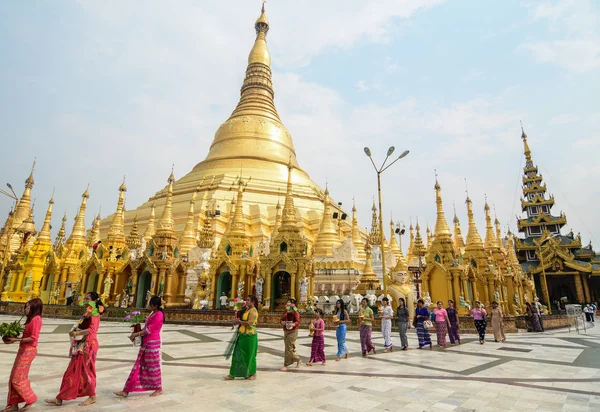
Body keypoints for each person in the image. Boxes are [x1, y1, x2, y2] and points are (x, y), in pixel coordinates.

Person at [45, 291, 105, 407]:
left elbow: (92, 330)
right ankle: (60, 398)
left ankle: (92, 396)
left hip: (88, 345)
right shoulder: (87, 313)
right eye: (85, 298)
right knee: (70, 371)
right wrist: (76, 332)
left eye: (87, 299)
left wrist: (76, 333)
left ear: (94, 301)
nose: (85, 301)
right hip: (80, 344)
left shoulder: (95, 313)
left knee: (87, 371)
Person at [114, 296, 164, 398]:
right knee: (138, 366)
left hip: (152, 344)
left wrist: (135, 335)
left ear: (155, 305)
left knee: (153, 367)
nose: (149, 305)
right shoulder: (152, 313)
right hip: (146, 343)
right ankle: (126, 390)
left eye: (150, 303)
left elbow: (148, 330)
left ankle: (158, 388)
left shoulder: (158, 315)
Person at [5, 298, 43, 412]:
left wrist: (16, 339)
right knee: (14, 377)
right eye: (25, 307)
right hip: (23, 349)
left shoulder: (36, 319)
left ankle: (31, 398)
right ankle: (13, 405)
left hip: (28, 351)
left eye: (28, 307)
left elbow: (33, 338)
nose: (25, 309)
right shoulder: (30, 319)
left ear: (34, 307)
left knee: (17, 378)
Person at [224, 295, 259, 380]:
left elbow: (250, 322)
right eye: (246, 300)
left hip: (250, 335)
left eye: (248, 300)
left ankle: (251, 373)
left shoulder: (253, 311)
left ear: (253, 302)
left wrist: (240, 322)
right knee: (237, 354)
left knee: (249, 355)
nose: (246, 301)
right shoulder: (246, 310)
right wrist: (237, 321)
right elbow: (242, 321)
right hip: (242, 334)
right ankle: (232, 374)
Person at [279, 298, 301, 371]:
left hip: (293, 331)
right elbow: (281, 319)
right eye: (287, 302)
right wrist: (282, 322)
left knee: (288, 348)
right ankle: (298, 360)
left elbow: (298, 321)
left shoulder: (295, 310)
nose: (288, 303)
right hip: (286, 330)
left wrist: (293, 324)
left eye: (289, 302)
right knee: (290, 347)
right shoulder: (286, 310)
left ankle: (286, 364)